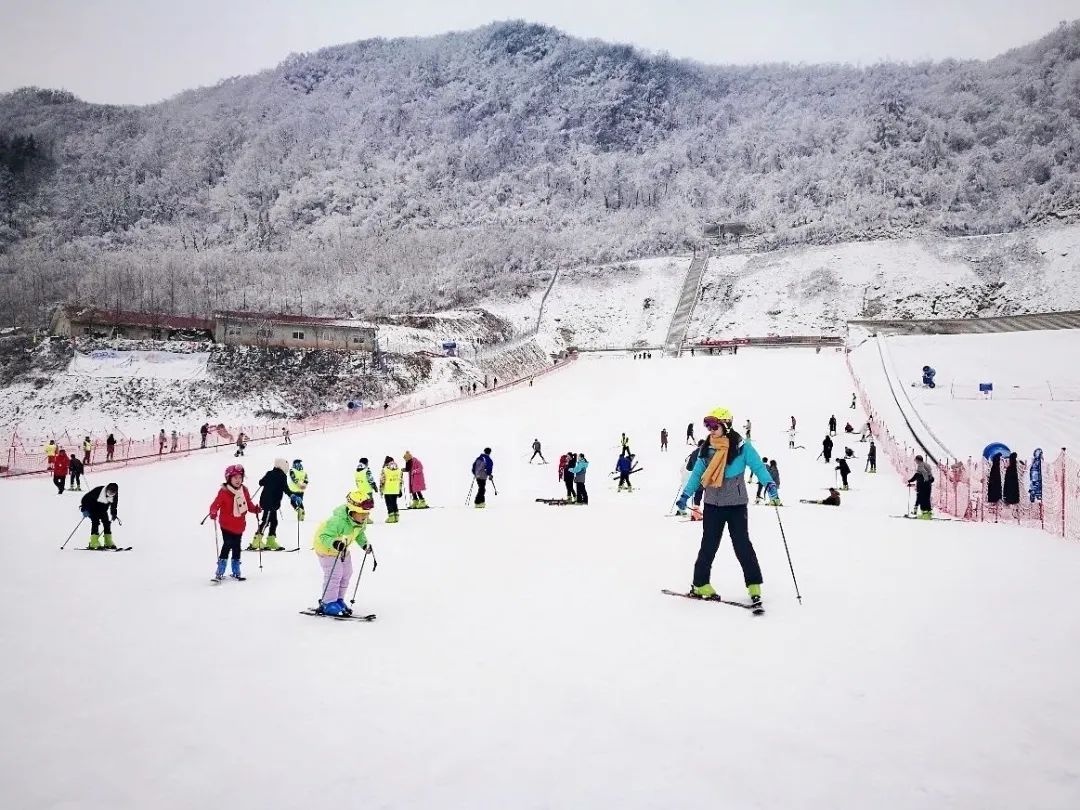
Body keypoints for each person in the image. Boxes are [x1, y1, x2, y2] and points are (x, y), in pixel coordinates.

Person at [675, 407, 773, 609]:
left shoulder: (742, 447)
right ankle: (700, 583)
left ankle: (754, 585)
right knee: (708, 545)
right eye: (708, 425)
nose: (710, 430)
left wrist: (770, 485)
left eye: (714, 425)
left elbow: (758, 467)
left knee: (742, 546)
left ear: (726, 425)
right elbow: (697, 476)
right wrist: (685, 495)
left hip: (736, 505)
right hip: (713, 505)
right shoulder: (707, 449)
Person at [313, 491, 374, 616]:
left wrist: (364, 544)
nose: (365, 516)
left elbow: (359, 534)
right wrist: (334, 543)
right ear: (352, 511)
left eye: (367, 513)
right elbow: (323, 536)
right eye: (362, 513)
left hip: (342, 549)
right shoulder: (337, 521)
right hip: (327, 550)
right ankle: (328, 602)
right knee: (335, 574)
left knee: (347, 573)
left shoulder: (360, 522)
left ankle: (338, 599)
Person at [208, 464, 260, 580]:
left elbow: (248, 505)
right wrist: (213, 511)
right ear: (228, 478)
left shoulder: (244, 490)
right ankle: (220, 570)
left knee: (237, 546)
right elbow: (215, 504)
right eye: (235, 477)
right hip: (226, 525)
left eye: (240, 477)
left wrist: (255, 509)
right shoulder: (224, 492)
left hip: (239, 525)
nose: (238, 480)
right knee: (227, 544)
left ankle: (236, 569)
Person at [250, 458, 289, 551]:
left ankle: (271, 540)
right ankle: (256, 540)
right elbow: (286, 489)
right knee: (266, 521)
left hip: (269, 502)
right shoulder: (282, 476)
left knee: (274, 521)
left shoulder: (269, 473)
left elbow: (261, 482)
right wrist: (293, 496)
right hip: (270, 503)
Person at [80, 482, 120, 549]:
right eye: (110, 492)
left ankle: (108, 541)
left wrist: (114, 514)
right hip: (92, 508)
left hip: (102, 509)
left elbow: (114, 505)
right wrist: (84, 509)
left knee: (107, 523)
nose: (111, 494)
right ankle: (93, 542)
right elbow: (86, 498)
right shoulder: (98, 490)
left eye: (113, 493)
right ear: (107, 489)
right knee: (95, 521)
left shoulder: (115, 495)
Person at [380, 456, 403, 523]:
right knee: (394, 503)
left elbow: (382, 480)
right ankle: (396, 517)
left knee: (389, 503)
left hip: (387, 490)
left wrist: (381, 489)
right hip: (396, 489)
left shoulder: (384, 469)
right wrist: (400, 489)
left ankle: (391, 517)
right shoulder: (399, 470)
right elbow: (401, 481)